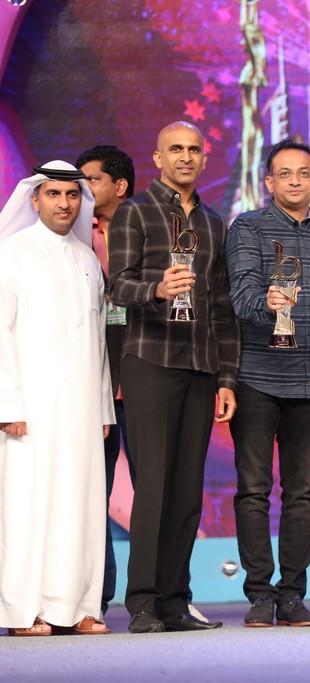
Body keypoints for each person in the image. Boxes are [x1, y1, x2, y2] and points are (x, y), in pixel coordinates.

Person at [109, 121, 240, 633]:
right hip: (150, 361)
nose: (185, 157)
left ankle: (175, 601)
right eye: (175, 149)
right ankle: (142, 602)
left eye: (193, 149)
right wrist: (157, 290)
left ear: (204, 159)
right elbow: (118, 286)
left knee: (187, 491)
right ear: (158, 158)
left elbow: (223, 307)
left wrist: (227, 377)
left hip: (201, 367)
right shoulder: (135, 211)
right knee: (154, 485)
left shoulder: (214, 223)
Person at [0, 161, 115, 636]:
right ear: (34, 199)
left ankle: (78, 607)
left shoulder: (87, 258)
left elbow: (98, 340)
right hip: (31, 408)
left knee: (81, 506)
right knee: (29, 507)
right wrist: (8, 405)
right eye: (53, 194)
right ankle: (24, 611)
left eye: (72, 195)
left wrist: (104, 406)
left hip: (84, 408)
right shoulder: (12, 253)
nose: (64, 203)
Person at [226, 139, 310, 627]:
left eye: (303, 173)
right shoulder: (248, 227)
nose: (294, 181)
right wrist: (264, 302)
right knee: (253, 490)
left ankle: (292, 594)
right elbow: (241, 293)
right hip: (256, 378)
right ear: (268, 182)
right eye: (284, 173)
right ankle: (259, 594)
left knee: (302, 493)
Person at [75, 145, 136, 616]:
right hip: (89, 380)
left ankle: (157, 595)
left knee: (153, 490)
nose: (80, 190)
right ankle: (96, 594)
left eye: (91, 180)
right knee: (92, 491)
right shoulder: (74, 233)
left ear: (120, 185)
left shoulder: (148, 228)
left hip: (141, 376)